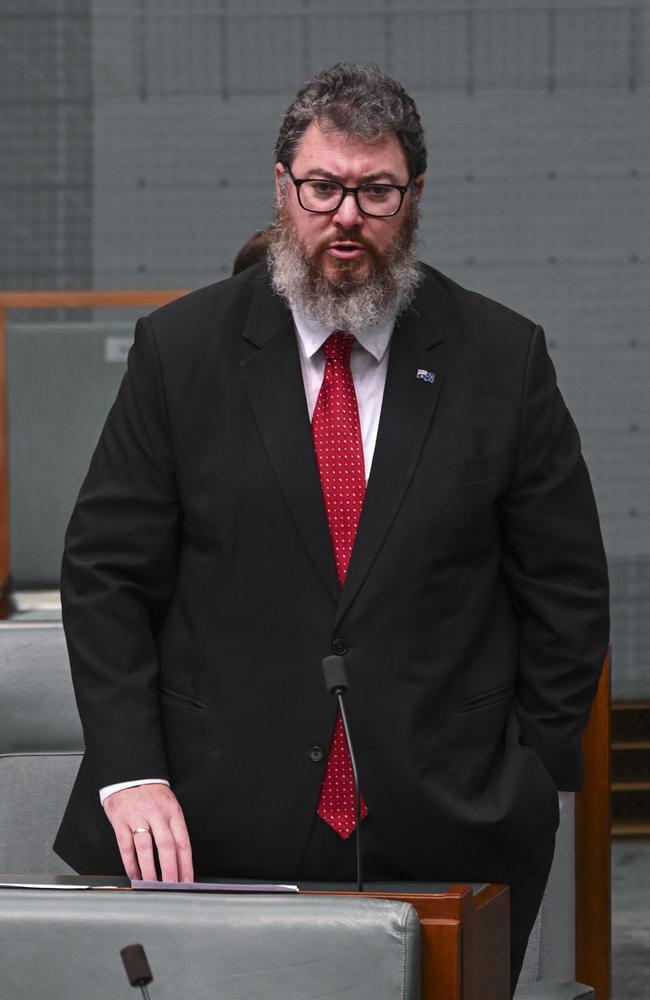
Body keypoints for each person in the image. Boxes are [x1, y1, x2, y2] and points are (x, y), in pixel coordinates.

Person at [55, 64, 609, 993]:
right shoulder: (181, 351)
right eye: (323, 187)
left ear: (414, 197)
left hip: (450, 817)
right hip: (215, 820)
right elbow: (106, 576)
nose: (346, 215)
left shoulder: (503, 359)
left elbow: (566, 589)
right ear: (283, 188)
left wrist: (523, 766)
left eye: (376, 190)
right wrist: (130, 773)